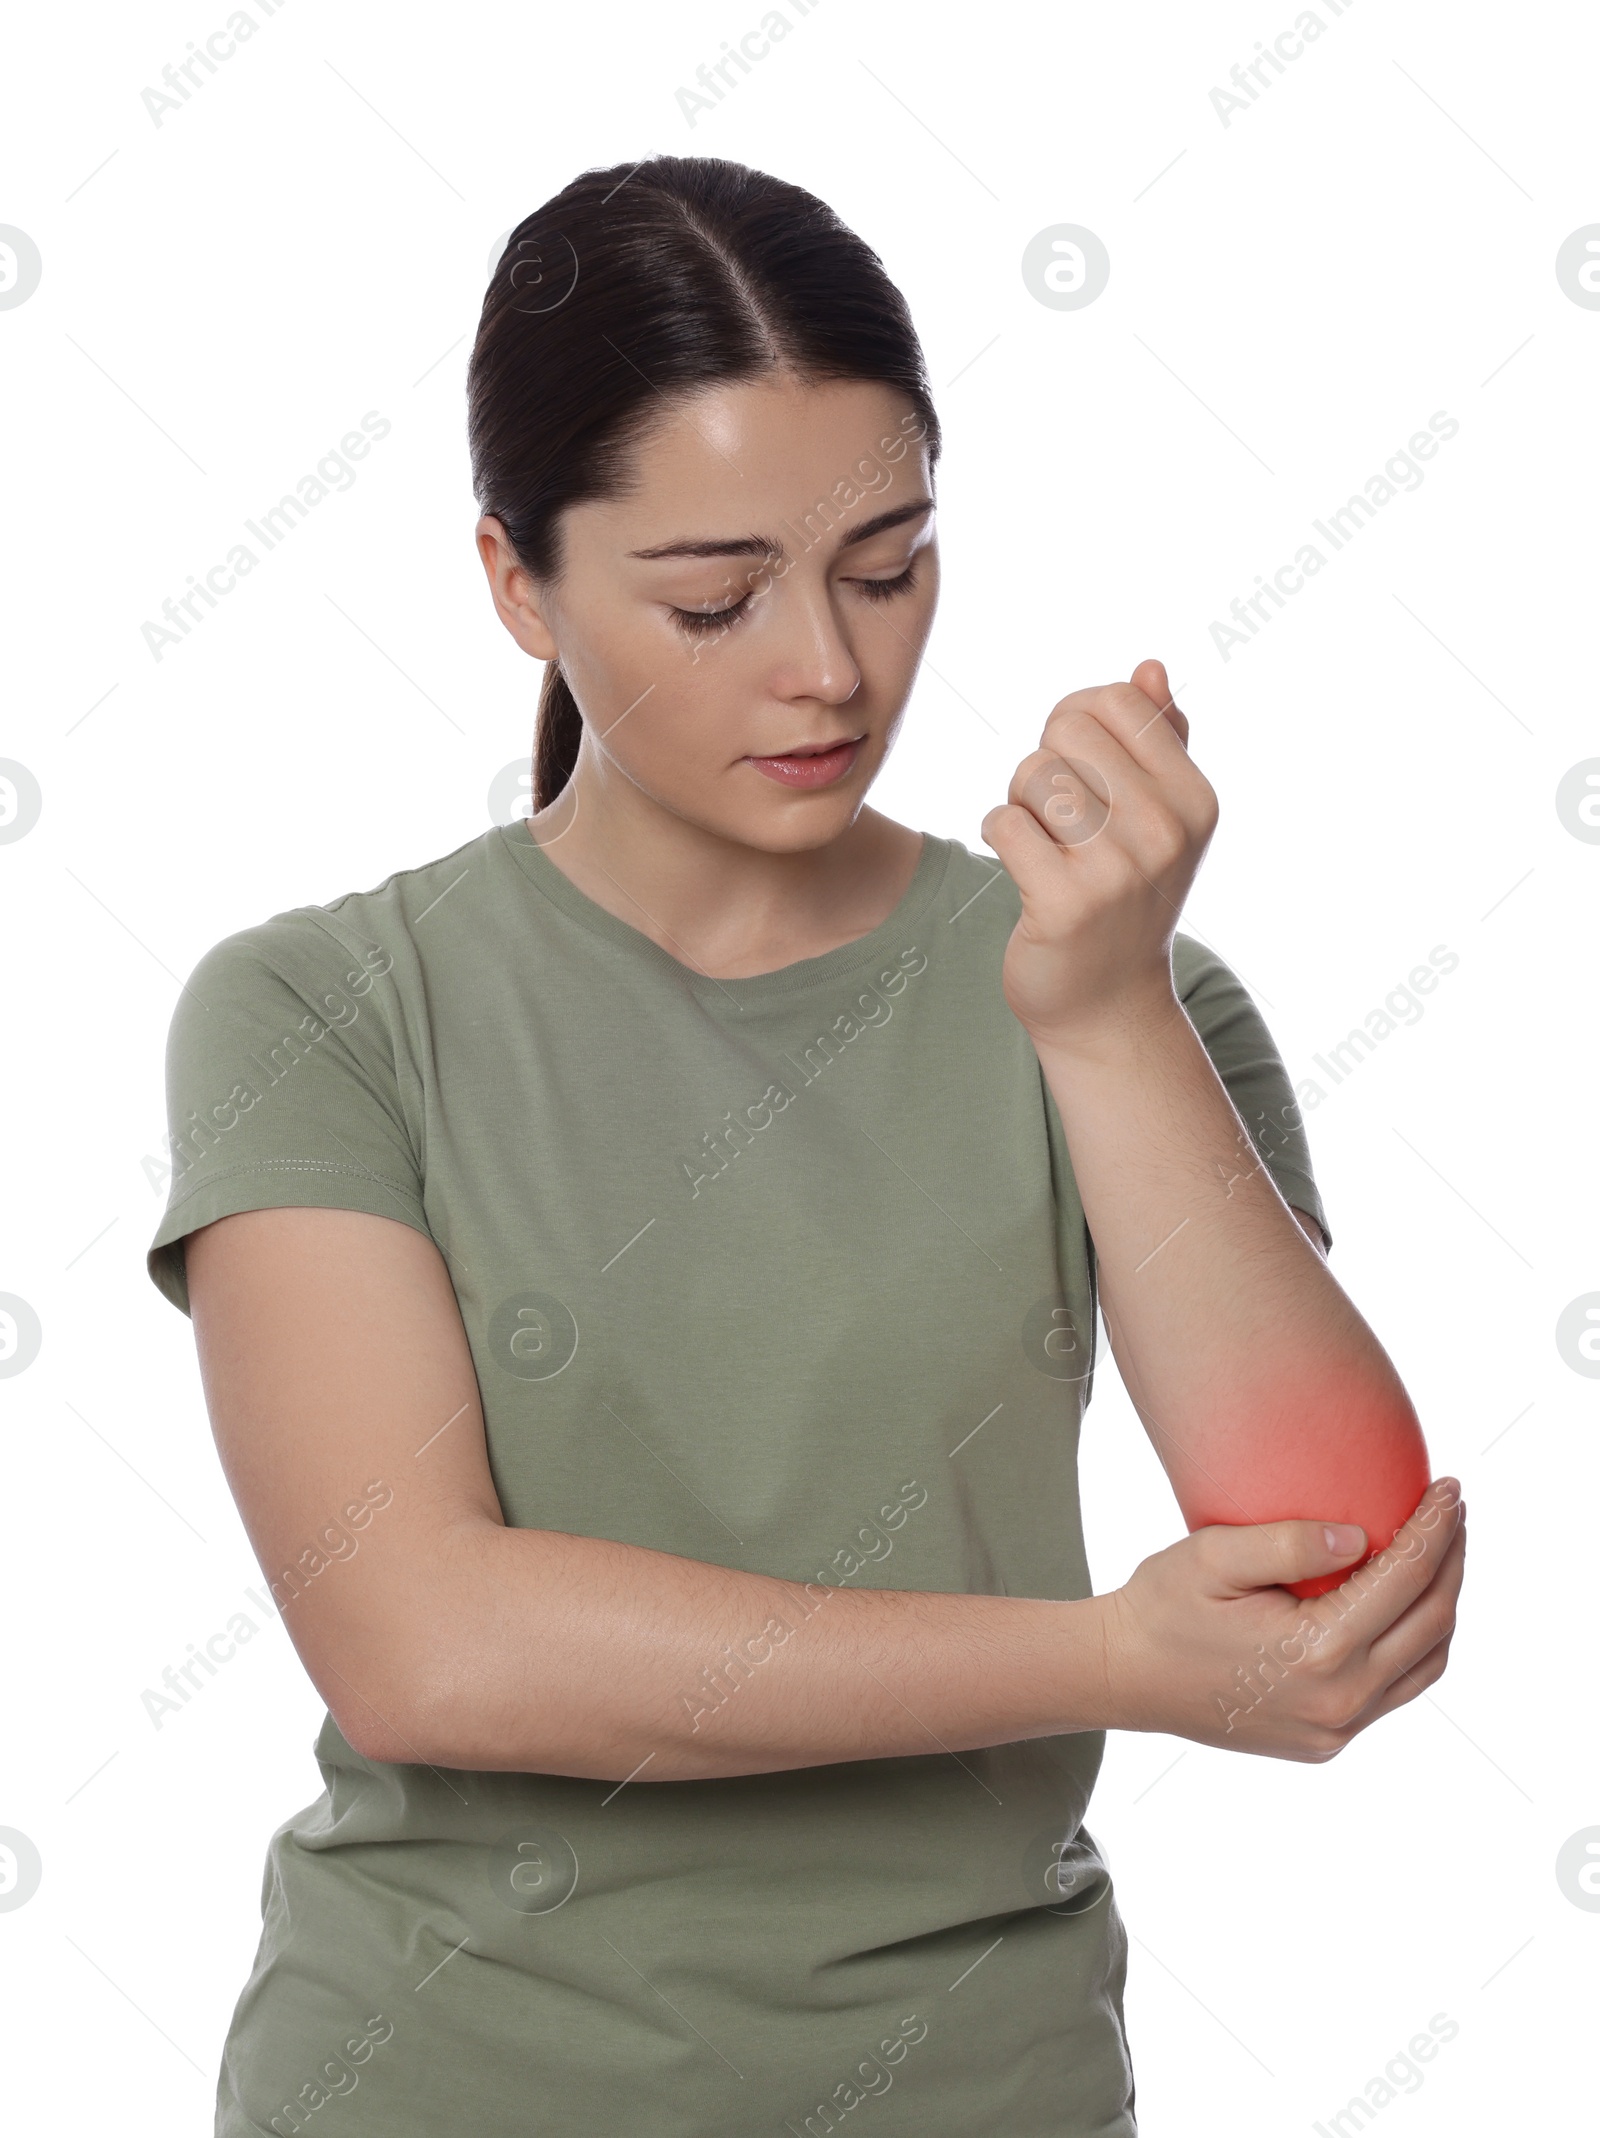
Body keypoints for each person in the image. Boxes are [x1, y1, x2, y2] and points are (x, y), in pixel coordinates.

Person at [146, 153, 1466, 2138]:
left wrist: (1097, 1013)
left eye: (885, 562)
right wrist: (1098, 1656)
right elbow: (425, 1638)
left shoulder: (1112, 995)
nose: (831, 669)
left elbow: (1334, 1584)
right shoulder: (325, 1010)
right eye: (715, 596)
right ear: (516, 580)